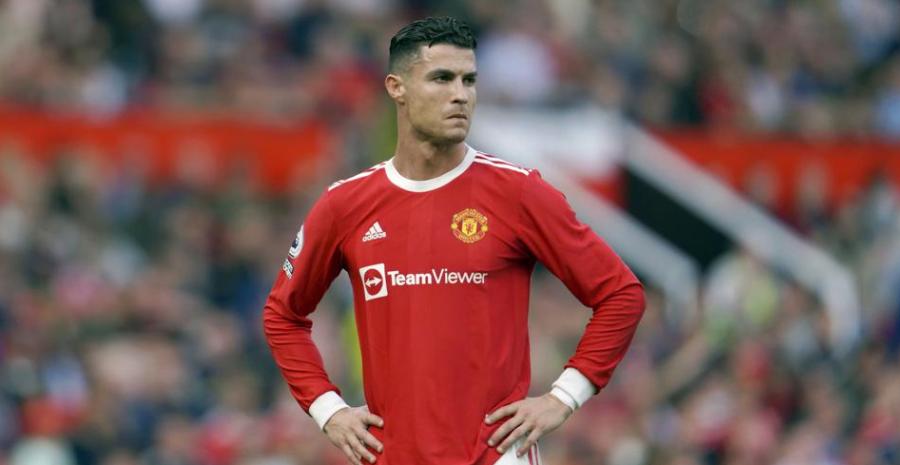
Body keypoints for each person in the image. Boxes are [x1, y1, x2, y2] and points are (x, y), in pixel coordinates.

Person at [262, 17, 646, 465]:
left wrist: (563, 397)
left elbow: (621, 294)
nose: (460, 94)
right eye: (441, 78)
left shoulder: (518, 192)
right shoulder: (345, 205)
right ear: (397, 88)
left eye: (469, 80)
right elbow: (282, 315)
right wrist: (328, 409)